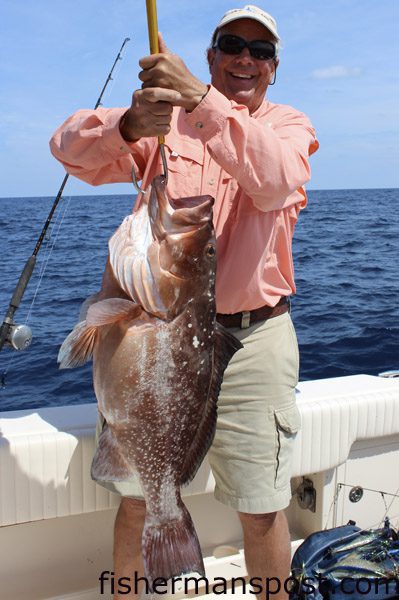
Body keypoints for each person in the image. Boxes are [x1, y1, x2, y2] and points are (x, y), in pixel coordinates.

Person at [50, 4, 318, 599]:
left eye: (260, 50)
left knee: (262, 505)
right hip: (157, 328)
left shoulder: (288, 125)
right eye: (232, 45)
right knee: (137, 502)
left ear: (274, 67)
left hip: (253, 338)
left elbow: (273, 178)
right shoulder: (162, 124)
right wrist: (128, 124)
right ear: (212, 54)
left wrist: (199, 101)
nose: (245, 58)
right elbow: (68, 150)